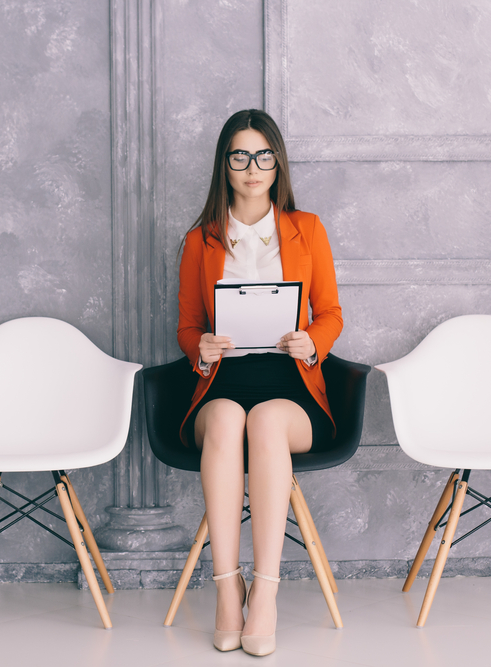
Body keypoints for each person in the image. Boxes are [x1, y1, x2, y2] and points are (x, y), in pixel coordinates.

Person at [176, 109, 343, 656]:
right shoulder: (199, 240)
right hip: (223, 377)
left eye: (264, 155)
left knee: (267, 421)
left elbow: (332, 313)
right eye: (241, 156)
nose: (253, 168)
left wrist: (312, 340)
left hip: (290, 384)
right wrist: (198, 349)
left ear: (277, 163)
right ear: (224, 165)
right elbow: (187, 325)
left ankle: (265, 595)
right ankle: (228, 591)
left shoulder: (308, 228)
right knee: (227, 418)